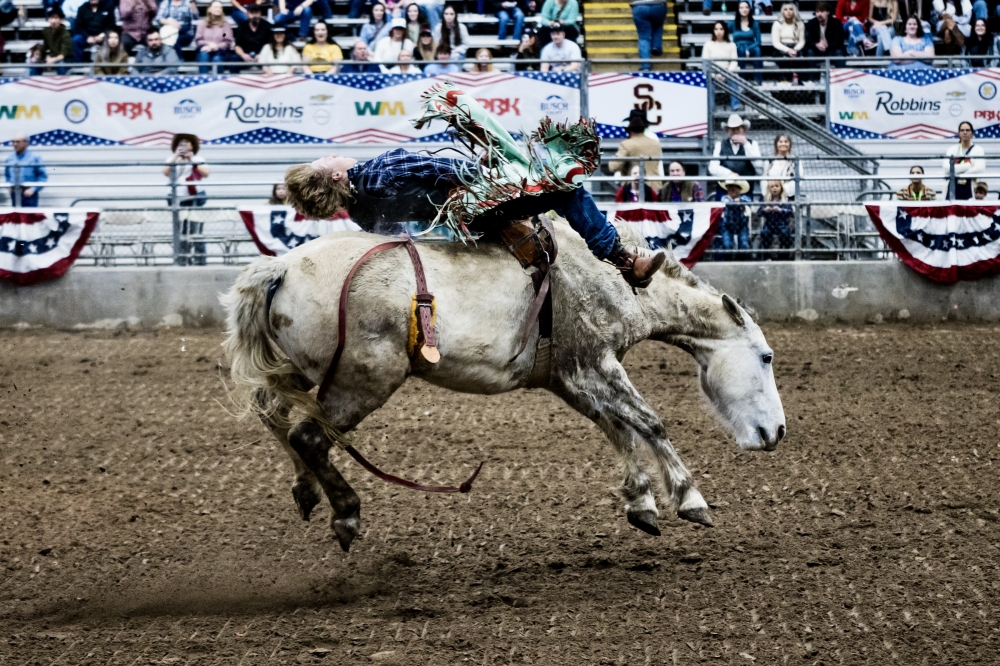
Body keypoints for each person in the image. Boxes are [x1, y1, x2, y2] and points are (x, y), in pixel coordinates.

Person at [283, 86, 666, 288]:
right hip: (479, 201)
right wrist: (487, 165)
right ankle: (624, 261)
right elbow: (444, 167)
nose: (330, 156)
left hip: (465, 226)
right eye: (324, 162)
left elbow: (401, 234)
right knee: (566, 189)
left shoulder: (362, 212)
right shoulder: (382, 169)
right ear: (334, 176)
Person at [163, 133, 210, 264]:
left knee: (196, 230)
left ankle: (200, 260)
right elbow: (166, 172)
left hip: (195, 197)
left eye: (187, 143)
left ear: (193, 145)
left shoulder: (198, 158)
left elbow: (205, 173)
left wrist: (192, 160)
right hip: (177, 198)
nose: (184, 145)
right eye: (180, 143)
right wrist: (176, 156)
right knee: (181, 231)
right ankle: (182, 259)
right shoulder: (173, 159)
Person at [708, 113, 761, 200]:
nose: (735, 131)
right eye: (732, 129)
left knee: (744, 212)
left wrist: (746, 144)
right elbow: (712, 168)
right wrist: (729, 174)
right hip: (724, 189)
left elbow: (759, 165)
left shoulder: (752, 144)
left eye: (738, 128)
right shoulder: (720, 145)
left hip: (745, 190)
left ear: (743, 129)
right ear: (728, 131)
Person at [608, 108, 662, 183]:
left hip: (635, 187)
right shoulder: (656, 142)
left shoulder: (626, 144)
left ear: (630, 130)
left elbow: (614, 167)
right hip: (654, 186)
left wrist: (614, 158)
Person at [943, 121, 985, 199]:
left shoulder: (978, 150)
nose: (965, 132)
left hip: (971, 186)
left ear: (972, 133)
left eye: (967, 130)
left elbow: (979, 169)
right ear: (959, 133)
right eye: (962, 130)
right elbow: (947, 168)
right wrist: (968, 166)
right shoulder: (952, 150)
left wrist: (956, 173)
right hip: (953, 186)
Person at [703, 22, 739, 110]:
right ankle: (710, 108)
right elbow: (705, 63)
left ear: (725, 31)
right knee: (708, 80)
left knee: (733, 78)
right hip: (712, 72)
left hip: (727, 71)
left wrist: (726, 73)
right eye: (716, 29)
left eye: (721, 29)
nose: (718, 32)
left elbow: (734, 62)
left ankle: (736, 106)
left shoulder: (732, 45)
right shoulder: (708, 45)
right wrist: (714, 75)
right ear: (713, 31)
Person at [5, 133, 47, 208]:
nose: (15, 144)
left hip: (29, 193)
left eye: (18, 142)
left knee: (29, 217)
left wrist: (33, 189)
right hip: (15, 193)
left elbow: (42, 176)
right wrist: (9, 186)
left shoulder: (34, 158)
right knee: (17, 217)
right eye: (13, 142)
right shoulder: (10, 159)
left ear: (26, 143)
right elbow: (7, 175)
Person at [195, 1, 235, 73]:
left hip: (221, 53)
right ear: (209, 9)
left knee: (216, 59)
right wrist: (209, 45)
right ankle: (204, 79)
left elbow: (226, 40)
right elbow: (199, 40)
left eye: (220, 8)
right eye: (216, 7)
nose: (218, 9)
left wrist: (216, 46)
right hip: (205, 51)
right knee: (204, 54)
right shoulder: (202, 24)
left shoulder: (225, 25)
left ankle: (218, 81)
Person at [804, 2, 847, 69]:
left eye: (822, 11)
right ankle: (810, 78)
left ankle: (843, 77)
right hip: (817, 51)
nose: (819, 14)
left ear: (828, 12)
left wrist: (828, 45)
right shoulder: (811, 23)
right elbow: (808, 41)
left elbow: (839, 41)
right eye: (817, 12)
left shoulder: (836, 23)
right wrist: (816, 45)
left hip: (831, 50)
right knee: (810, 52)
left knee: (838, 52)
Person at [716, 179, 752, 258]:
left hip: (742, 225)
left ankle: (743, 261)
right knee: (727, 245)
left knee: (744, 244)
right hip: (727, 225)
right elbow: (725, 201)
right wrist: (733, 202)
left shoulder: (744, 198)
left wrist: (740, 202)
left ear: (740, 189)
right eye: (730, 187)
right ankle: (727, 262)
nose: (732, 189)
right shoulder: (724, 198)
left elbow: (749, 202)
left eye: (735, 187)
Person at [758, 180, 794, 258]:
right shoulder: (766, 199)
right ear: (769, 189)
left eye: (777, 186)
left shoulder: (785, 199)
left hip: (782, 224)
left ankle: (784, 254)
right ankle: (767, 255)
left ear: (781, 188)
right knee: (765, 233)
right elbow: (759, 212)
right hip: (769, 223)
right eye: (772, 187)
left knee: (785, 233)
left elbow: (791, 212)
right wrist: (765, 210)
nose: (775, 188)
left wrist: (780, 210)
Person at [730, 1, 762, 86]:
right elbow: (722, 31)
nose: (744, 10)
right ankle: (741, 79)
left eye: (746, 7)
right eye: (741, 7)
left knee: (757, 50)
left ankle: (757, 80)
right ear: (738, 10)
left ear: (750, 9)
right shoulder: (733, 23)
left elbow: (758, 41)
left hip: (750, 46)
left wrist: (748, 49)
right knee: (740, 49)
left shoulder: (755, 23)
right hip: (737, 46)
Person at [771, 3, 804, 81]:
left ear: (794, 11)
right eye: (785, 9)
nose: (788, 11)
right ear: (782, 12)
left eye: (791, 9)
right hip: (781, 48)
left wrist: (795, 49)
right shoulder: (777, 24)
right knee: (784, 59)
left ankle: (799, 82)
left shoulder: (800, 24)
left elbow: (802, 41)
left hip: (796, 47)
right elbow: (775, 42)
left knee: (800, 58)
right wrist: (788, 50)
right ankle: (785, 82)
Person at [631, 0, 666, 71]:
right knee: (658, 26)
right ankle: (656, 46)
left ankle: (645, 66)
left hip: (639, 6)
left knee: (643, 38)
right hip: (658, 5)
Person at [39, 7, 71, 75]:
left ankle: (63, 83)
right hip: (51, 57)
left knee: (61, 64)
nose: (53, 21)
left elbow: (63, 55)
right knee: (33, 64)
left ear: (61, 20)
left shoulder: (65, 34)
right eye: (51, 18)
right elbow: (46, 48)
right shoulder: (45, 31)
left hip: (64, 59)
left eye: (56, 18)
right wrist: (47, 58)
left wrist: (52, 60)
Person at [764, 134, 795, 199]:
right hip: (770, 196)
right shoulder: (770, 160)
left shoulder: (795, 160)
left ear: (790, 144)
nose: (783, 144)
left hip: (788, 196)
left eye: (786, 142)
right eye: (780, 142)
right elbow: (764, 178)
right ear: (776, 144)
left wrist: (782, 191)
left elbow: (798, 180)